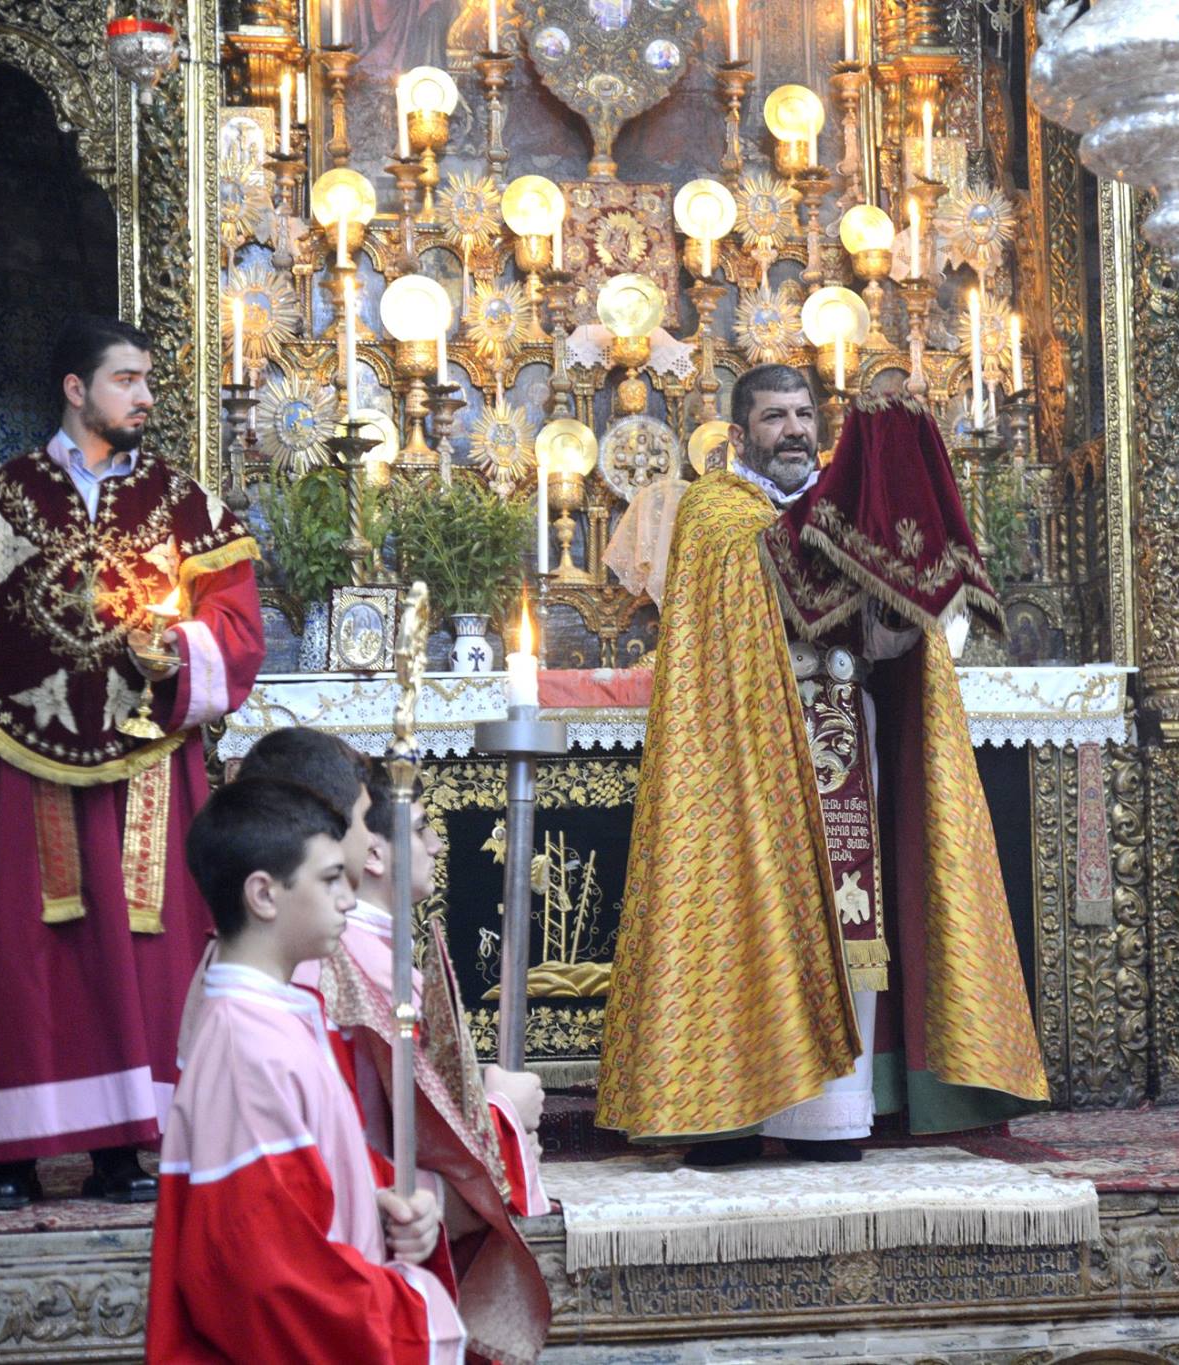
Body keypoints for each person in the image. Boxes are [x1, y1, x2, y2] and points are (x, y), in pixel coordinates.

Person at [598, 366, 1048, 1164]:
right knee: (749, 915)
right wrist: (847, 513)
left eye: (806, 415)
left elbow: (884, 642)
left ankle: (834, 1114)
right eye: (775, 417)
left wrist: (899, 586)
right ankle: (730, 1107)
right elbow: (760, 582)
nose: (795, 430)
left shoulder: (837, 517)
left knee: (851, 925)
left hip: (845, 740)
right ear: (740, 435)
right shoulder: (714, 512)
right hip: (743, 760)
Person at [0, 315, 265, 1209]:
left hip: (147, 759)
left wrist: (177, 648)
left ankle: (124, 1148)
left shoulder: (187, 507)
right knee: (32, 945)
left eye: (147, 380)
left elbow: (239, 626)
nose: (145, 396)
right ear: (75, 387)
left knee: (146, 948)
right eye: (126, 379)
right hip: (35, 757)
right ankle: (18, 1155)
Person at [235, 728, 552, 1364]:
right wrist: (504, 1121)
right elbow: (328, 1154)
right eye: (358, 817)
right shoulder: (321, 972)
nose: (433, 841)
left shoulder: (320, 959)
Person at [147, 777, 464, 1363]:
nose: (347, 899)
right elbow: (269, 1278)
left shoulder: (281, 1014)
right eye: (327, 881)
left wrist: (391, 1201)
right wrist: (411, 1314)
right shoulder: (249, 1051)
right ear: (264, 895)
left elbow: (316, 1174)